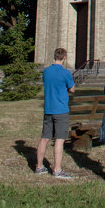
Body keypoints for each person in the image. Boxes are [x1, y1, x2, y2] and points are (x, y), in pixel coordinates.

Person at [35, 47, 75, 179]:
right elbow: (72, 89)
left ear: (55, 56)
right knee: (59, 139)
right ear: (64, 58)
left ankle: (39, 166)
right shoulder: (65, 73)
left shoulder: (46, 72)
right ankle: (57, 170)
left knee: (44, 138)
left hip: (48, 109)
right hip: (61, 110)